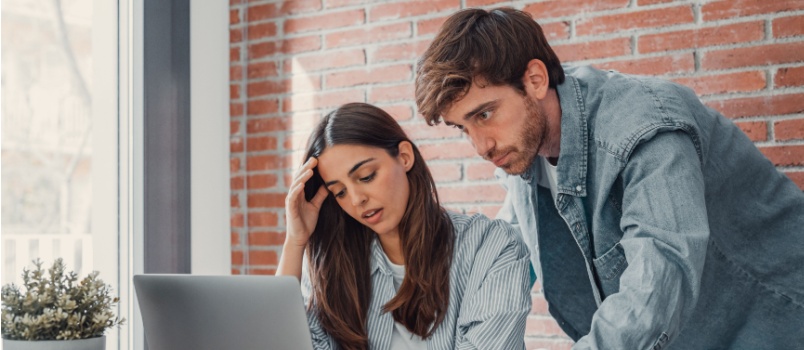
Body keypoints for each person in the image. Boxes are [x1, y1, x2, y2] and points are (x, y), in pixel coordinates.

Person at [414, 7, 804, 350]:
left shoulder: (643, 127)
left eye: (484, 114)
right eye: (461, 128)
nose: (480, 146)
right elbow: (511, 247)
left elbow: (662, 271)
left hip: (777, 318)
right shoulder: (522, 146)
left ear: (534, 80)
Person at [276, 102, 531, 350]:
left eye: (366, 177)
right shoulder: (334, 263)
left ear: (405, 157)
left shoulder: (493, 247)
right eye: (340, 192)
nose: (356, 199)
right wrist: (295, 241)